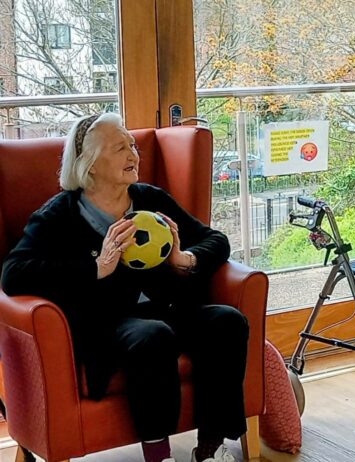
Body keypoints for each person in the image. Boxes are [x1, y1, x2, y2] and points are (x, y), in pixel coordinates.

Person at [0, 114, 247, 462]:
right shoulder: (59, 215)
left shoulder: (150, 200)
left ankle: (209, 447)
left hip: (167, 310)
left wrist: (184, 259)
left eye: (132, 145)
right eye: (120, 148)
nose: (133, 154)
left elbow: (215, 240)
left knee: (227, 321)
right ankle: (159, 454)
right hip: (105, 324)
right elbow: (13, 274)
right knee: (153, 335)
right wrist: (95, 268)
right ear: (89, 164)